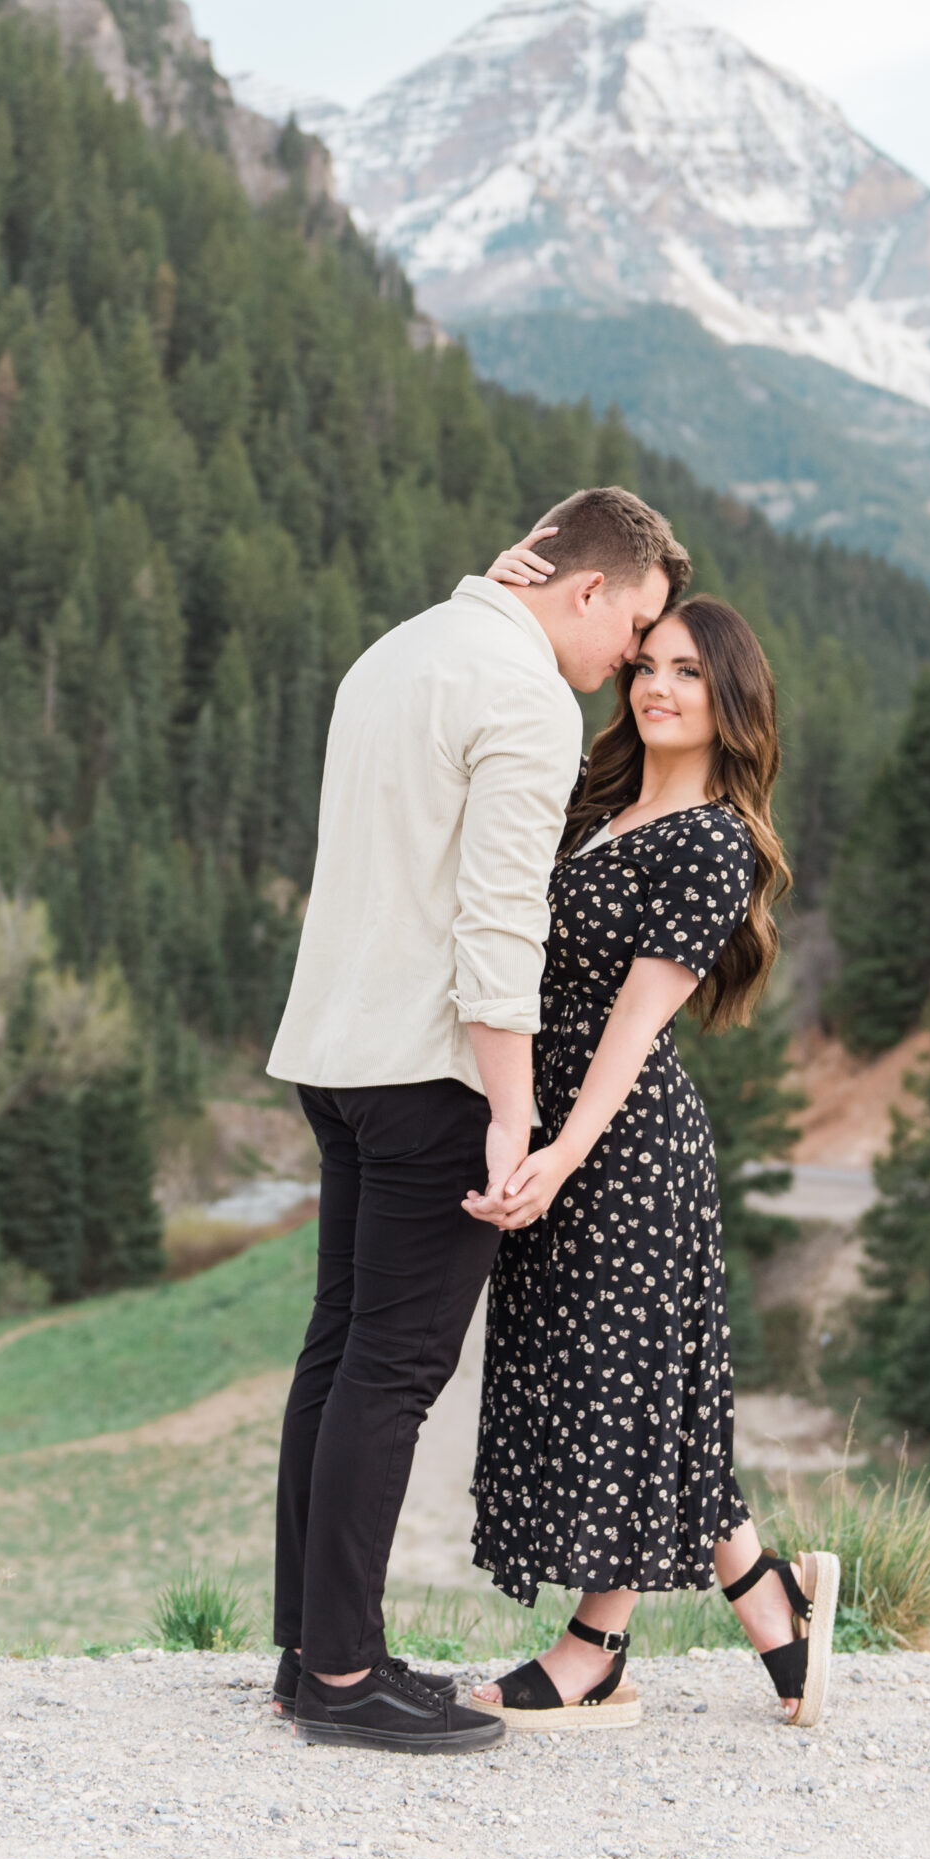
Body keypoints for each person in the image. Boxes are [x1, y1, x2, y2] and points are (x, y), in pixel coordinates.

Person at [267, 486, 690, 1754]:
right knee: (392, 1372)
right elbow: (498, 923)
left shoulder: (397, 650)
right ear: (587, 590)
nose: (628, 662)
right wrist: (512, 1111)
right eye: (633, 629)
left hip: (334, 1054)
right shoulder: (526, 699)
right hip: (429, 1072)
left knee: (338, 1353)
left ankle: (309, 1651)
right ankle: (344, 1677)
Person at [467, 530, 839, 1732]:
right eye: (646, 665)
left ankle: (596, 1644)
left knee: (616, 1389)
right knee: (643, 1391)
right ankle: (772, 1607)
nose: (655, 686)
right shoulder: (597, 802)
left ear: (729, 701)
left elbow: (634, 1025)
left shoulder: (712, 840)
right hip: (556, 1127)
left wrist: (560, 1154)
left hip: (621, 1145)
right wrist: (495, 594)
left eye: (686, 671)